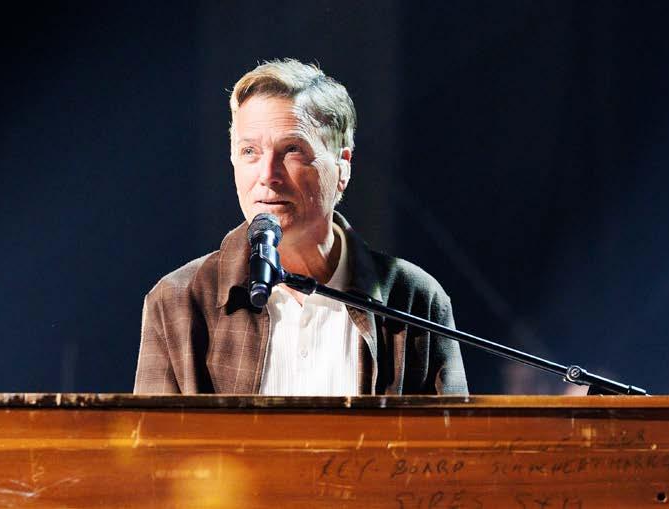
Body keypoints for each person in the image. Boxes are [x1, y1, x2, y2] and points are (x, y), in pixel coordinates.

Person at [133, 58, 467, 396]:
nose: (268, 175)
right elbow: (148, 433)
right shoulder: (177, 300)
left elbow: (453, 431)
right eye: (250, 151)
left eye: (292, 150)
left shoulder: (413, 299)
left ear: (343, 167)